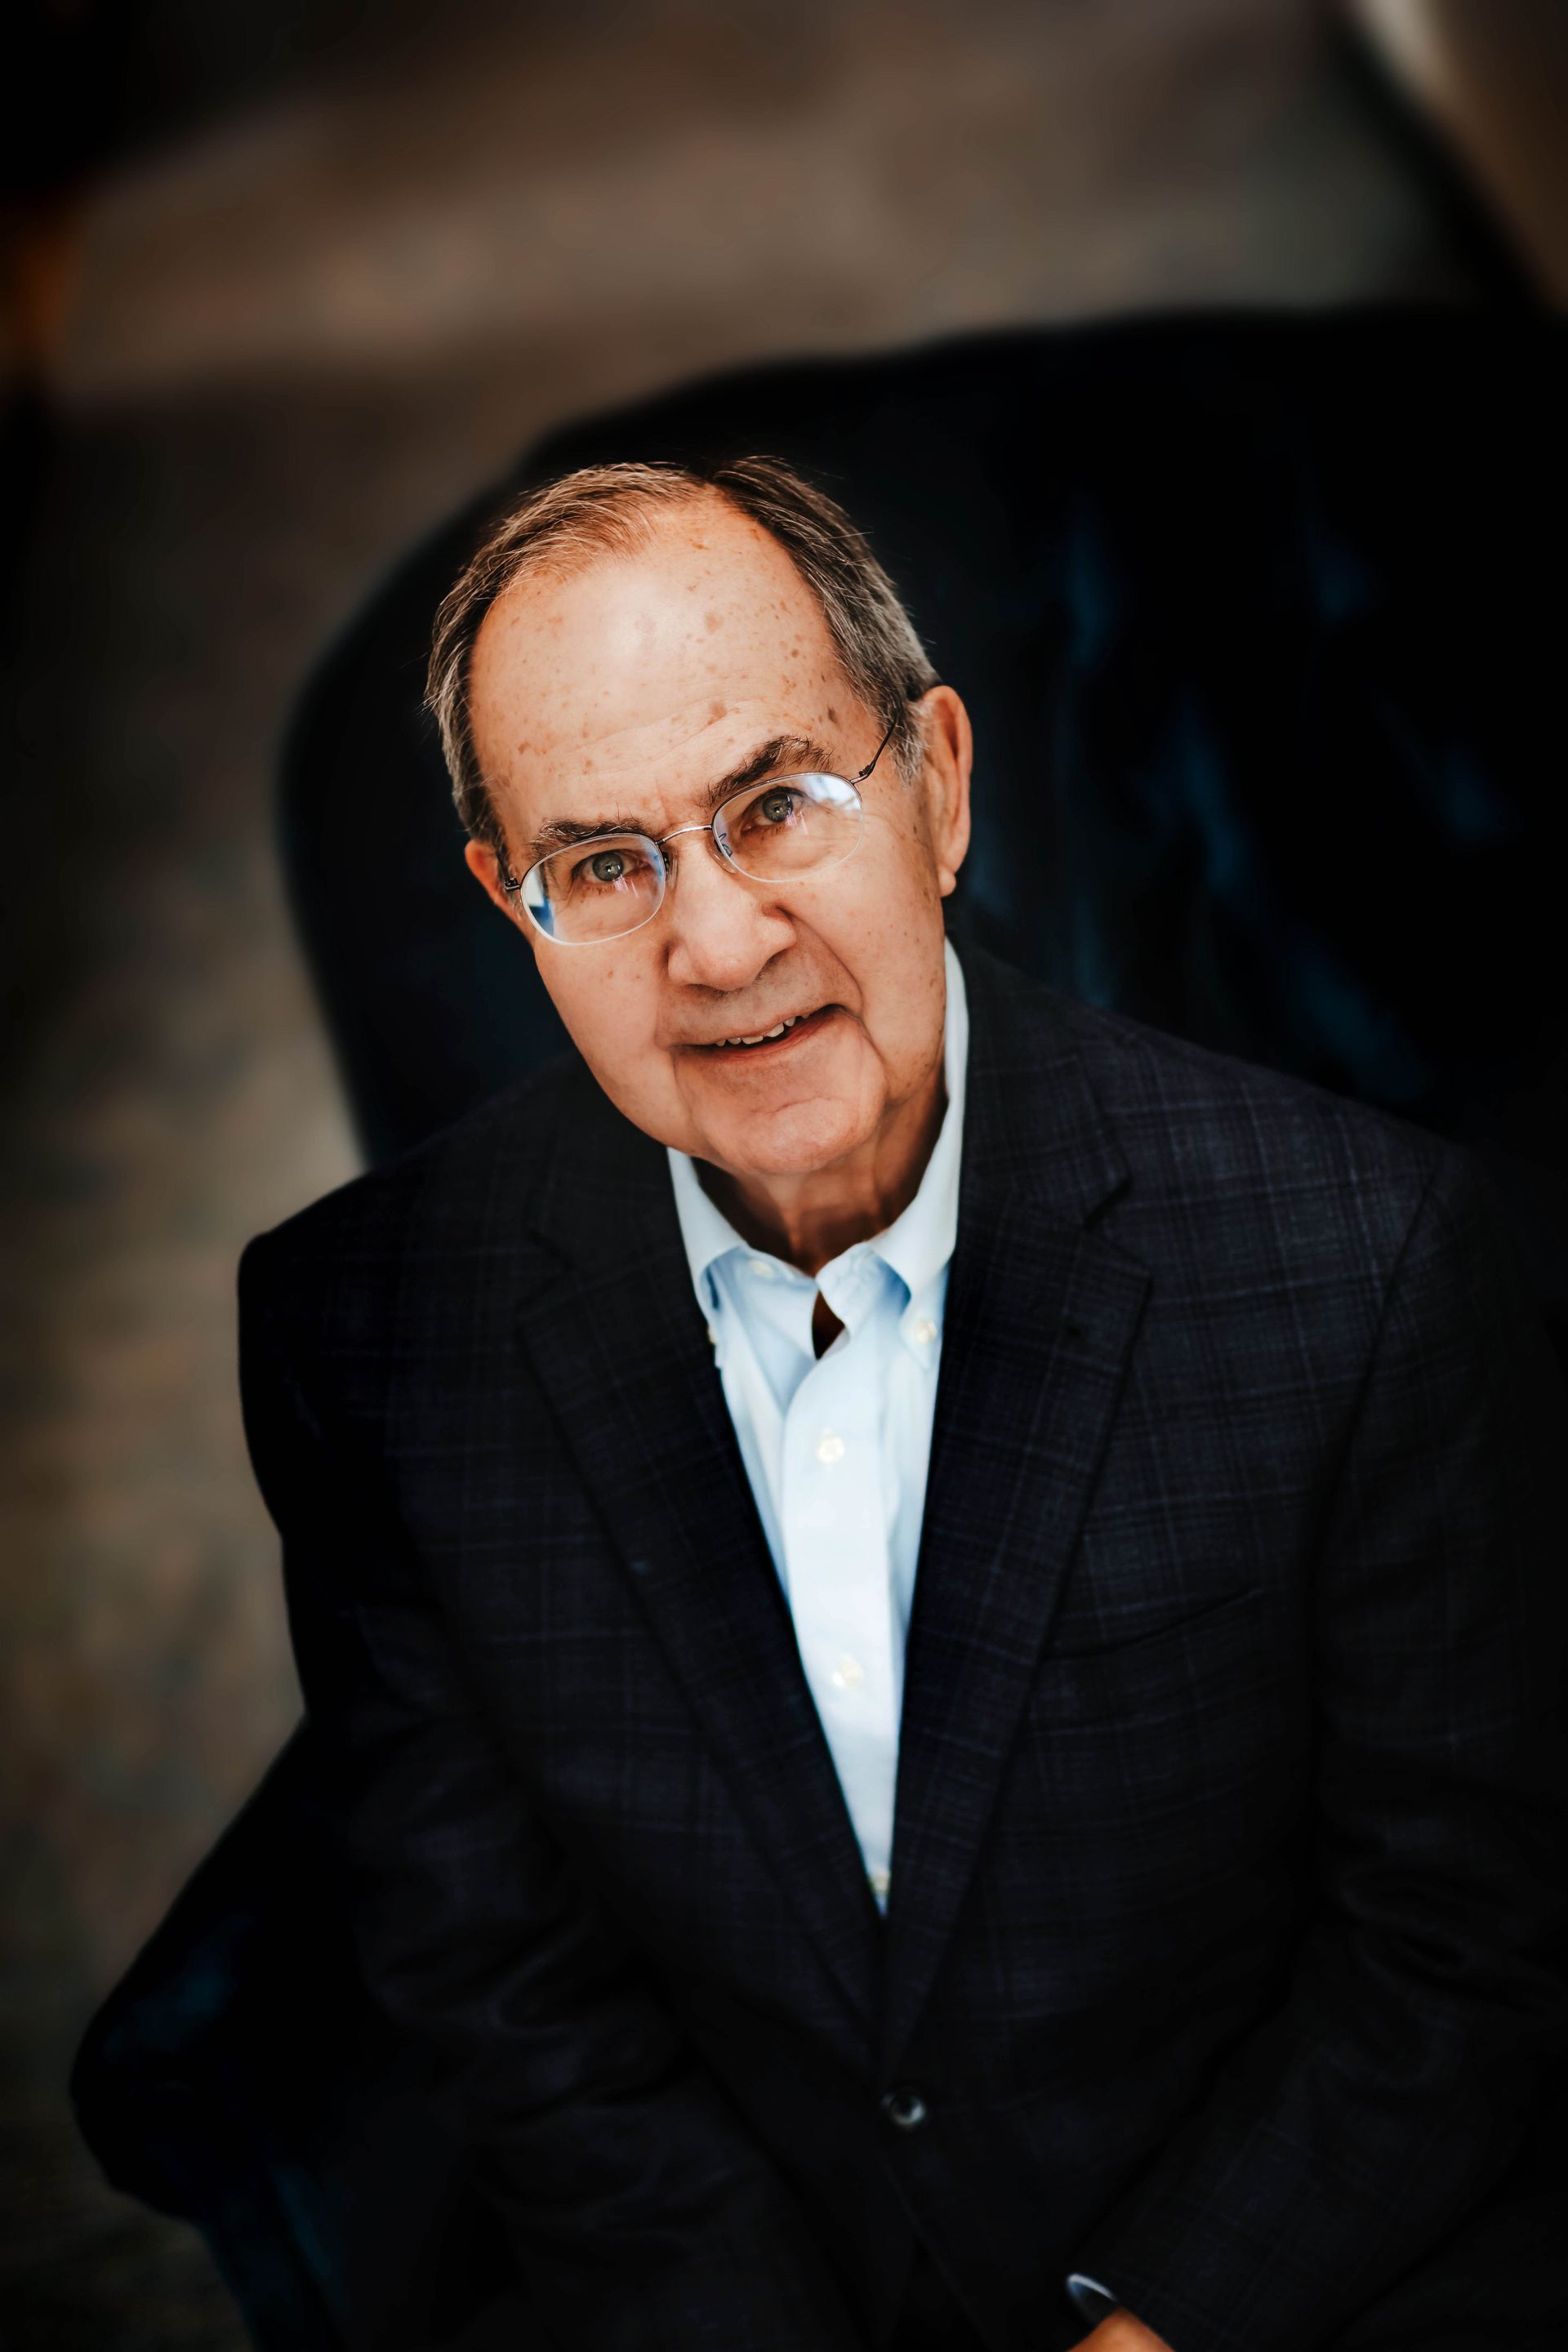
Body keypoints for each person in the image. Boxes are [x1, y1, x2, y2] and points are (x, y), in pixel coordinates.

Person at [238, 456, 1568, 2352]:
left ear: (938, 785)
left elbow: (1460, 1949)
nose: (713, 944)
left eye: (775, 803)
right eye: (604, 864)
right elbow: (498, 1973)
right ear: (508, 906)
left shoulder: (1364, 1264)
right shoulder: (355, 1332)